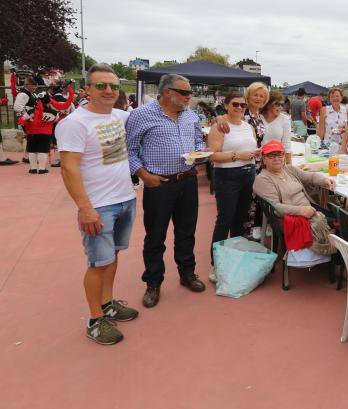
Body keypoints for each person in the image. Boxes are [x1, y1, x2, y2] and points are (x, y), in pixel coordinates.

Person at [55, 64, 138, 345]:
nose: (108, 91)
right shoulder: (74, 124)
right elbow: (69, 169)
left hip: (125, 198)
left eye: (113, 86)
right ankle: (95, 319)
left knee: (112, 256)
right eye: (101, 85)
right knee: (98, 263)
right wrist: (85, 208)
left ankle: (108, 303)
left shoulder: (120, 116)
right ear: (87, 89)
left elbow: (155, 115)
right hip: (99, 206)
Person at [126, 73, 207, 308]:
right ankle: (153, 282)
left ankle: (187, 273)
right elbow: (129, 150)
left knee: (186, 232)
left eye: (190, 92)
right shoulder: (141, 115)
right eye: (184, 92)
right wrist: (143, 174)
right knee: (155, 236)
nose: (189, 96)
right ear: (167, 92)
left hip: (188, 180)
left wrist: (200, 151)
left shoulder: (191, 115)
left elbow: (198, 142)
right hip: (158, 184)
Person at [206, 92, 259, 283]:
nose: (239, 108)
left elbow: (250, 150)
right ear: (226, 105)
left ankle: (234, 258)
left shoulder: (248, 127)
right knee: (225, 220)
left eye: (242, 105)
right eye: (235, 104)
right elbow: (212, 156)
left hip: (248, 174)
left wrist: (253, 154)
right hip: (227, 176)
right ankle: (216, 264)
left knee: (241, 219)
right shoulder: (220, 126)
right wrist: (237, 156)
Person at [253, 140, 336, 217]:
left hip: (308, 209)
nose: (276, 158)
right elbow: (275, 207)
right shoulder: (262, 179)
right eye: (271, 156)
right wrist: (299, 211)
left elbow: (310, 176)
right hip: (291, 218)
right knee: (338, 224)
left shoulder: (289, 169)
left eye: (280, 154)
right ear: (264, 159)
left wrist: (324, 180)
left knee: (338, 218)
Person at [262, 90, 293, 163]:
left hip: (275, 161)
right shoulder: (258, 118)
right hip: (258, 160)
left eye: (282, 105)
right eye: (277, 104)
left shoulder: (284, 119)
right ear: (268, 104)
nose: (280, 107)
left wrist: (289, 167)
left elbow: (287, 145)